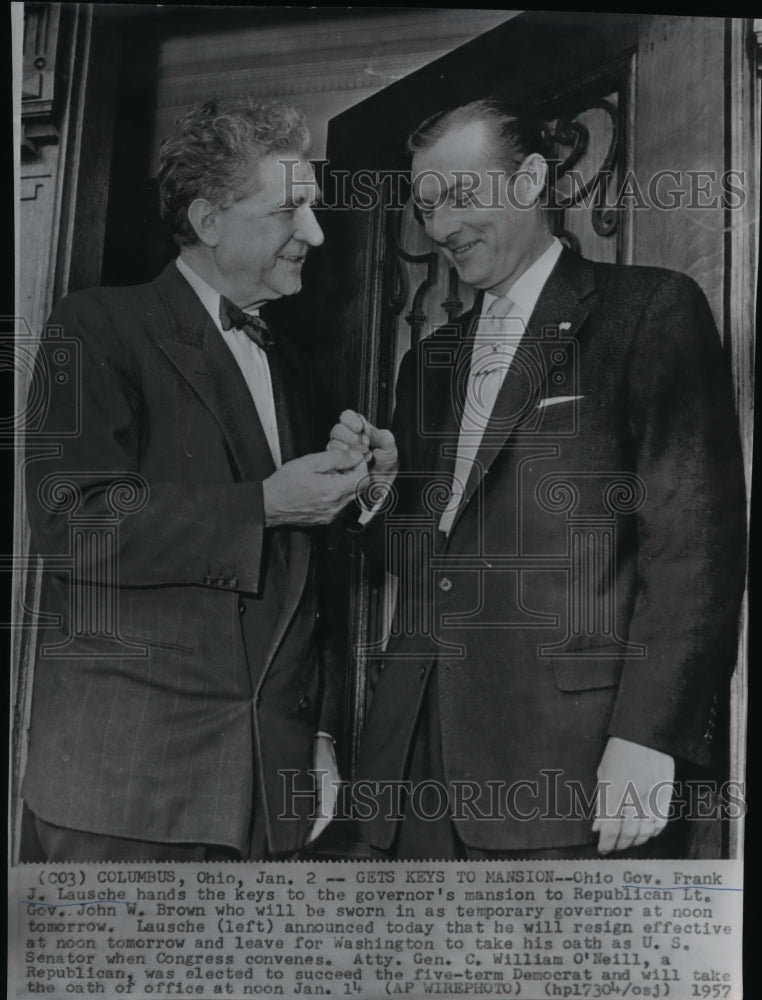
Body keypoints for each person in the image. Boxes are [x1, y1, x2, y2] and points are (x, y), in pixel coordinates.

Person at [330, 98, 747, 859]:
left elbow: (695, 550)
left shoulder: (649, 311)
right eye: (424, 205)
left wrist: (646, 738)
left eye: (459, 195)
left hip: (571, 766)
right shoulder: (426, 363)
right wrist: (378, 495)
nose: (439, 224)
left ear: (528, 182)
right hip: (411, 773)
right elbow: (423, 565)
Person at [21, 97, 366, 862]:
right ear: (210, 220)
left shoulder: (291, 364)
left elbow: (305, 586)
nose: (314, 233)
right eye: (289, 212)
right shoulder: (96, 326)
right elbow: (74, 524)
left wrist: (361, 484)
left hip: (268, 793)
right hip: (130, 795)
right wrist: (267, 505)